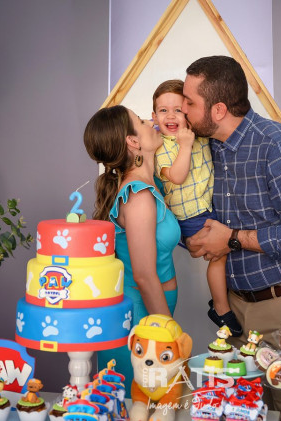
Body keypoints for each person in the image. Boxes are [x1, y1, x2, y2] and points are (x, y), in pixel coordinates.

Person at [182, 55, 281, 421]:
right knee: (241, 411)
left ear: (218, 110)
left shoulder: (278, 145)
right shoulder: (209, 149)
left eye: (189, 102)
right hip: (237, 312)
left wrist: (233, 238)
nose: (183, 109)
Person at [83, 105, 181, 389]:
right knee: (137, 400)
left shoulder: (149, 186)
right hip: (140, 317)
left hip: (150, 312)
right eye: (141, 121)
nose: (151, 121)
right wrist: (170, 337)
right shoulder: (138, 197)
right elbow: (144, 276)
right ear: (133, 141)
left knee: (151, 401)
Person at [152, 79, 242, 336]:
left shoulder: (198, 134)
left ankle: (226, 298)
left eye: (178, 110)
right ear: (154, 117)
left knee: (227, 251)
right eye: (163, 110)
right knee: (219, 255)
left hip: (210, 206)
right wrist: (185, 145)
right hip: (189, 214)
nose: (171, 116)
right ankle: (221, 308)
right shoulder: (161, 147)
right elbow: (177, 176)